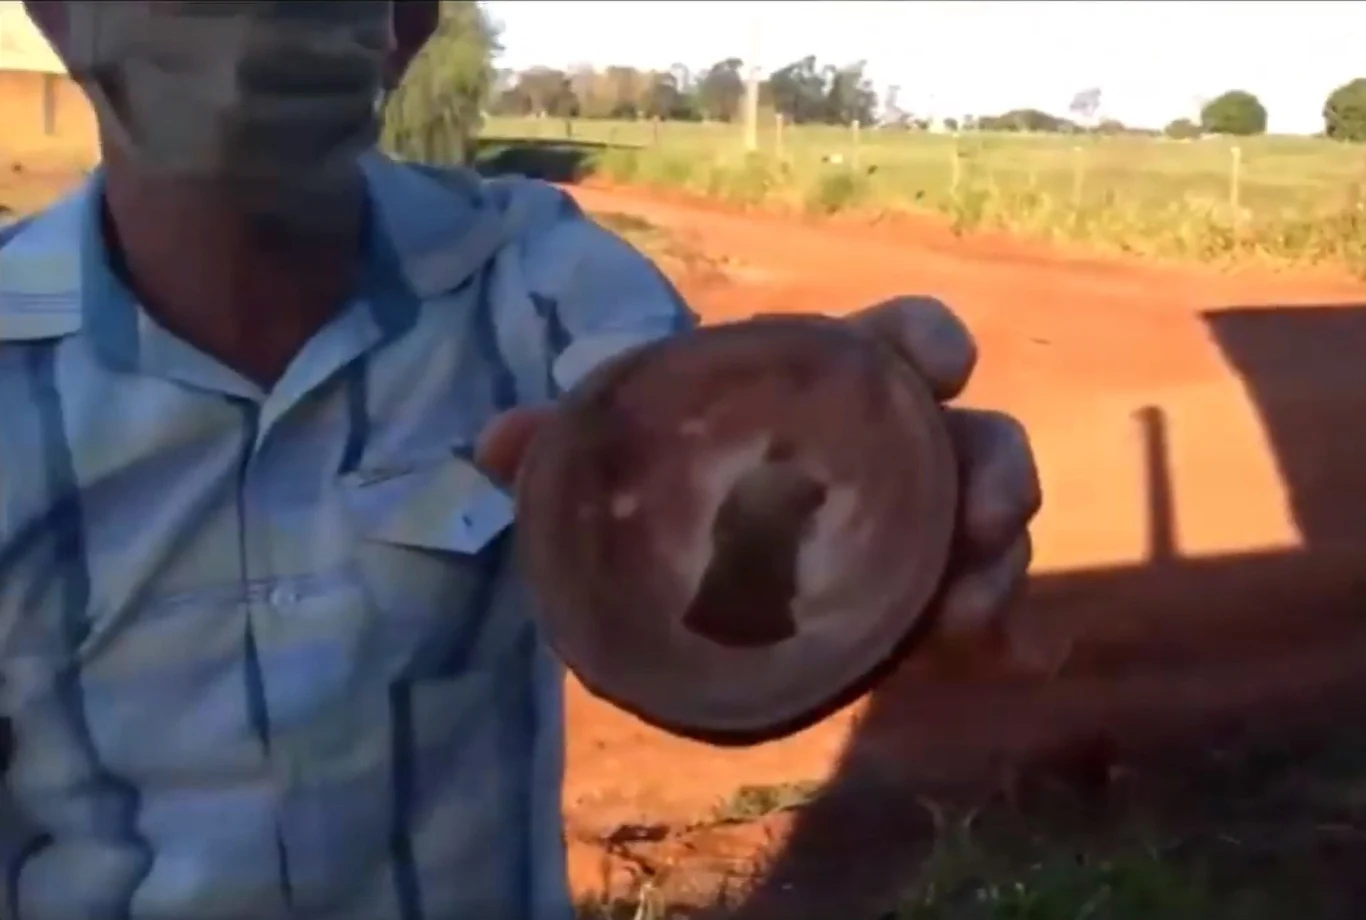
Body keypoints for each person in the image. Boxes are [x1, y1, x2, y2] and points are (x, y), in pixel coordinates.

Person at [0, 2, 1041, 918]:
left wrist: (848, 475)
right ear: (56, 10)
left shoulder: (536, 281)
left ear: (404, 21)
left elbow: (677, 423)